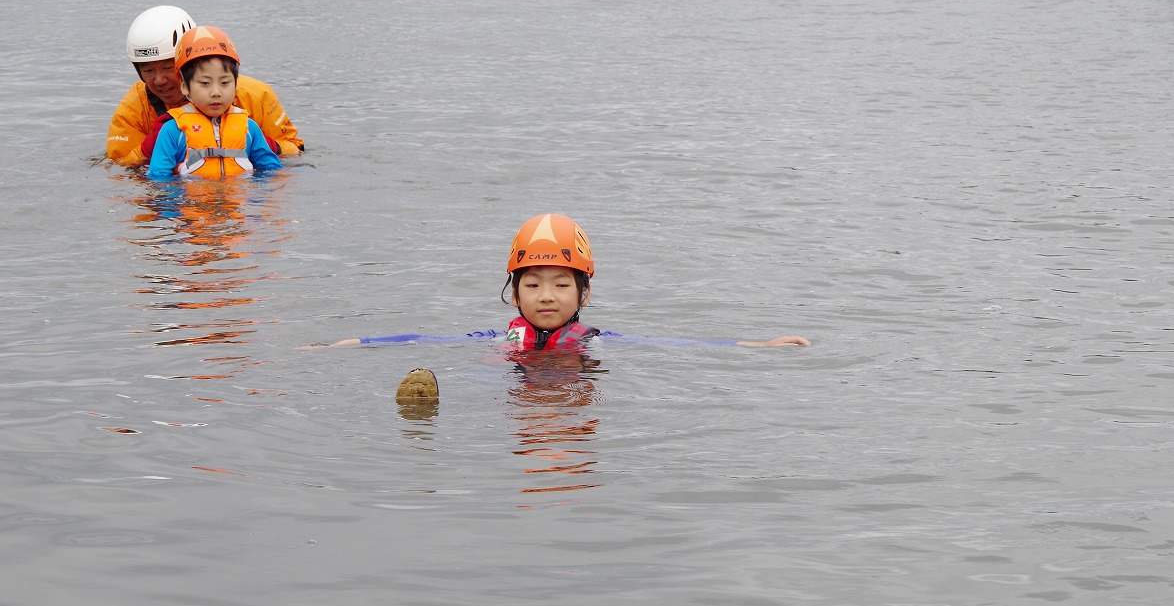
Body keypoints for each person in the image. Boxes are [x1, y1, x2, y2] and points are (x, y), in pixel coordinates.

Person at [318, 213, 811, 351]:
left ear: (584, 293)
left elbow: (674, 343)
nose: (547, 296)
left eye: (560, 283)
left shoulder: (598, 342)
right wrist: (357, 340)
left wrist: (757, 343)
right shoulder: (495, 341)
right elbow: (424, 339)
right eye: (532, 285)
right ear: (513, 293)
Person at [106, 6, 304, 167]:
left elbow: (295, 149)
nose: (159, 80)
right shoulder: (133, 109)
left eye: (168, 68)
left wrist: (266, 146)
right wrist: (147, 149)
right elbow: (119, 165)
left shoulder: (255, 95)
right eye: (148, 71)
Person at [146, 26, 284, 179]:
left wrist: (256, 199)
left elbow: (272, 171)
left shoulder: (249, 127)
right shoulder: (173, 130)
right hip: (191, 201)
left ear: (236, 84)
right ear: (185, 86)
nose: (216, 92)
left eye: (225, 83)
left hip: (239, 201)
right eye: (205, 83)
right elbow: (159, 178)